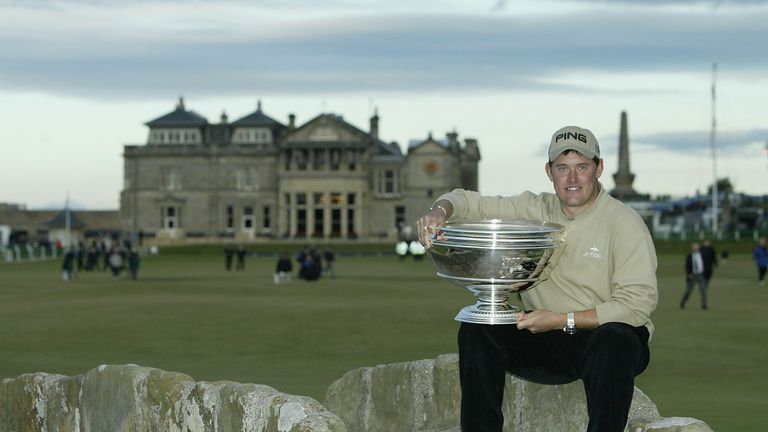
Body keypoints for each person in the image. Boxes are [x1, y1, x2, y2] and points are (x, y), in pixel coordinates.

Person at [416, 125, 658, 432]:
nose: (572, 179)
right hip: (543, 336)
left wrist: (562, 320)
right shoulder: (534, 208)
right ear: (549, 171)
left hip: (602, 340)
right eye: (563, 168)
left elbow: (637, 306)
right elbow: (467, 201)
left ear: (599, 168)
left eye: (582, 167)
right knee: (478, 326)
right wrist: (438, 211)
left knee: (615, 338)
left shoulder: (624, 223)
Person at [680, 242, 708, 310]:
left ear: (698, 248)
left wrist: (705, 273)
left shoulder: (702, 255)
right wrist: (689, 274)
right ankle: (683, 302)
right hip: (692, 275)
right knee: (688, 291)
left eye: (696, 248)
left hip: (701, 275)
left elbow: (705, 264)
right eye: (694, 248)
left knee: (703, 290)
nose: (695, 249)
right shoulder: (689, 256)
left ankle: (704, 304)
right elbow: (687, 265)